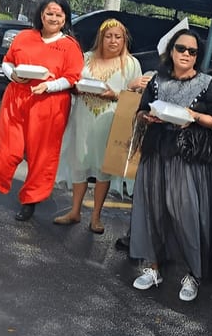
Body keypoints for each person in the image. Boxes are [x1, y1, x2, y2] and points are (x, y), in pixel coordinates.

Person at [129, 29, 212, 303]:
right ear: (171, 50)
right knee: (152, 210)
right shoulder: (156, 79)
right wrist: (148, 117)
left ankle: (191, 273)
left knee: (186, 215)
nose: (185, 54)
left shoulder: (207, 83)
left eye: (192, 51)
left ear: (198, 56)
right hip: (157, 151)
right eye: (181, 48)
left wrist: (193, 115)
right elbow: (141, 110)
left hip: (188, 158)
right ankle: (153, 266)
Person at [0, 0, 84, 221]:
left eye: (58, 14)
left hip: (50, 106)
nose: (53, 18)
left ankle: (30, 201)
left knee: (42, 155)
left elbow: (72, 77)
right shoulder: (25, 37)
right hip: (17, 100)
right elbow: (7, 61)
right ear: (41, 15)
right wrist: (13, 75)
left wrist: (49, 86)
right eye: (49, 13)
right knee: (6, 150)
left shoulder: (70, 46)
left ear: (65, 19)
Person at [53, 18, 149, 233]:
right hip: (83, 117)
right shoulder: (86, 58)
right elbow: (73, 81)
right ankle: (75, 211)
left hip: (110, 122)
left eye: (118, 37)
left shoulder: (131, 64)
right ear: (101, 38)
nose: (113, 41)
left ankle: (95, 217)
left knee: (104, 168)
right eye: (108, 36)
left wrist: (116, 93)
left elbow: (139, 97)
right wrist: (79, 89)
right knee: (79, 163)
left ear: (124, 40)